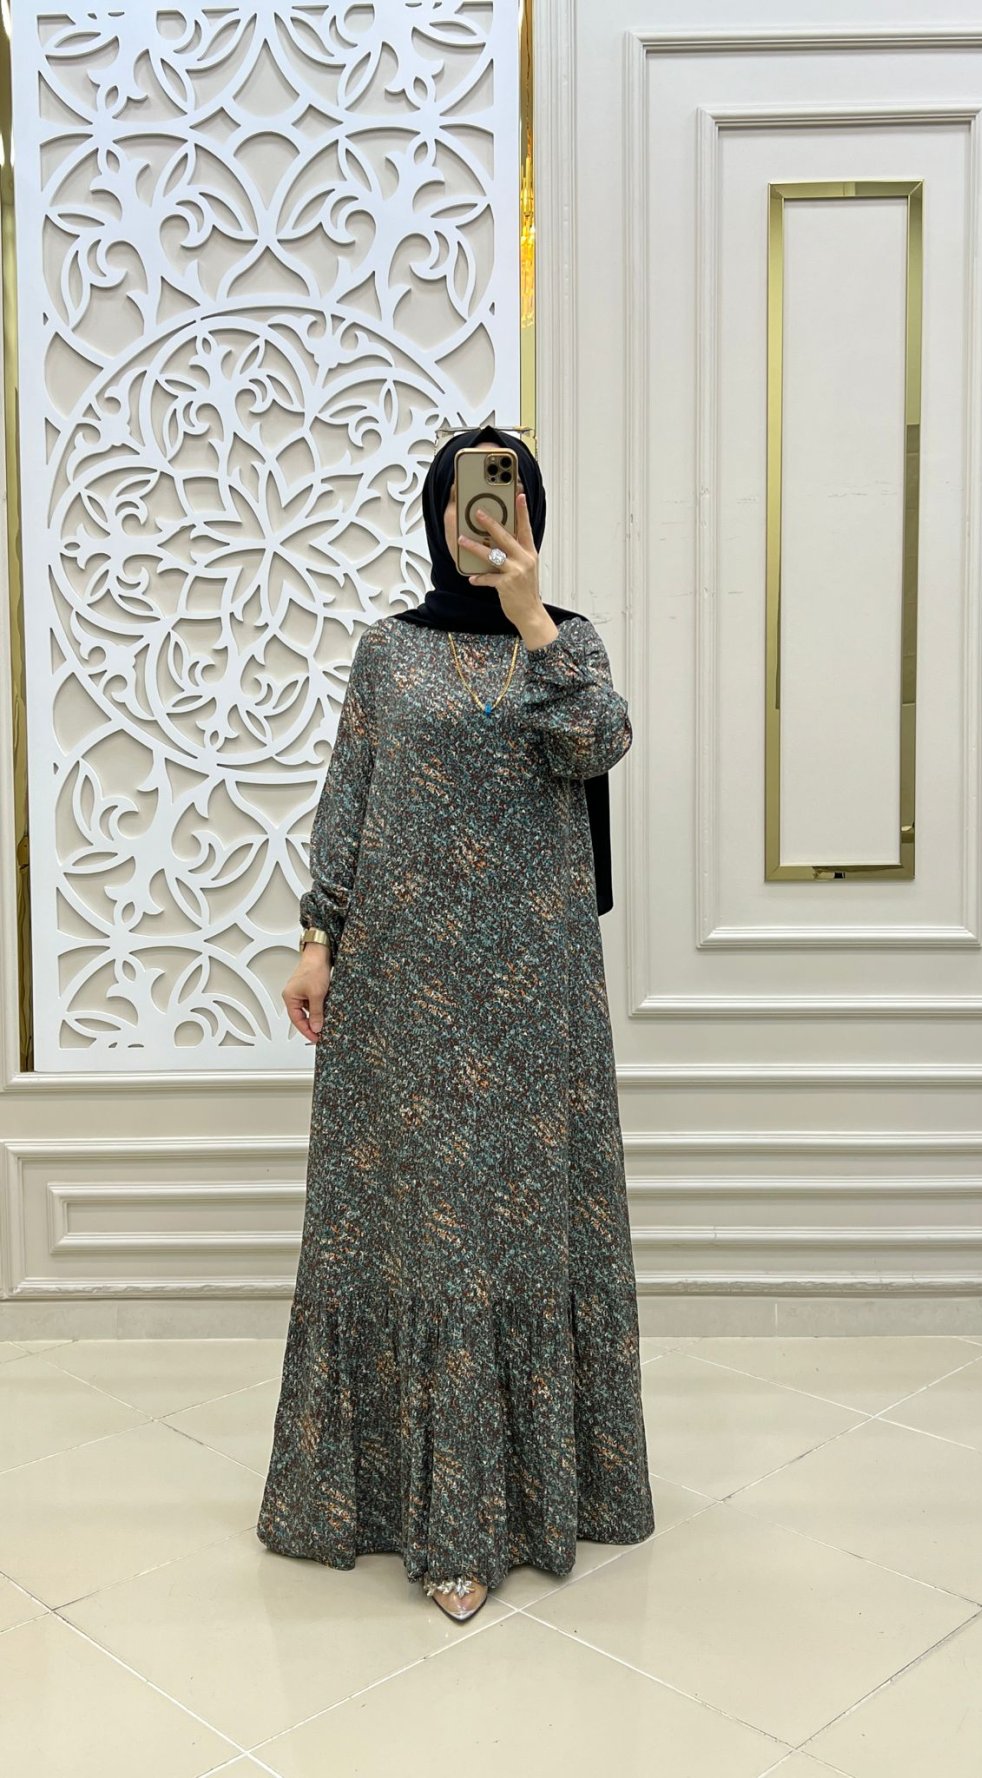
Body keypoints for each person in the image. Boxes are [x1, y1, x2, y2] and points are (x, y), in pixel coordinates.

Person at [256, 423, 656, 1622]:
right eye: (468, 498)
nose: (487, 515)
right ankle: (442, 1520)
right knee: (420, 1232)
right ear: (438, 515)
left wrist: (531, 619)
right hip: (402, 991)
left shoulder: (566, 644)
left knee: (520, 1227)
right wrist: (317, 936)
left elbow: (599, 742)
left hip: (534, 993)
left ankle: (526, 1499)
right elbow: (351, 793)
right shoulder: (389, 651)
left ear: (532, 512)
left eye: (509, 494)